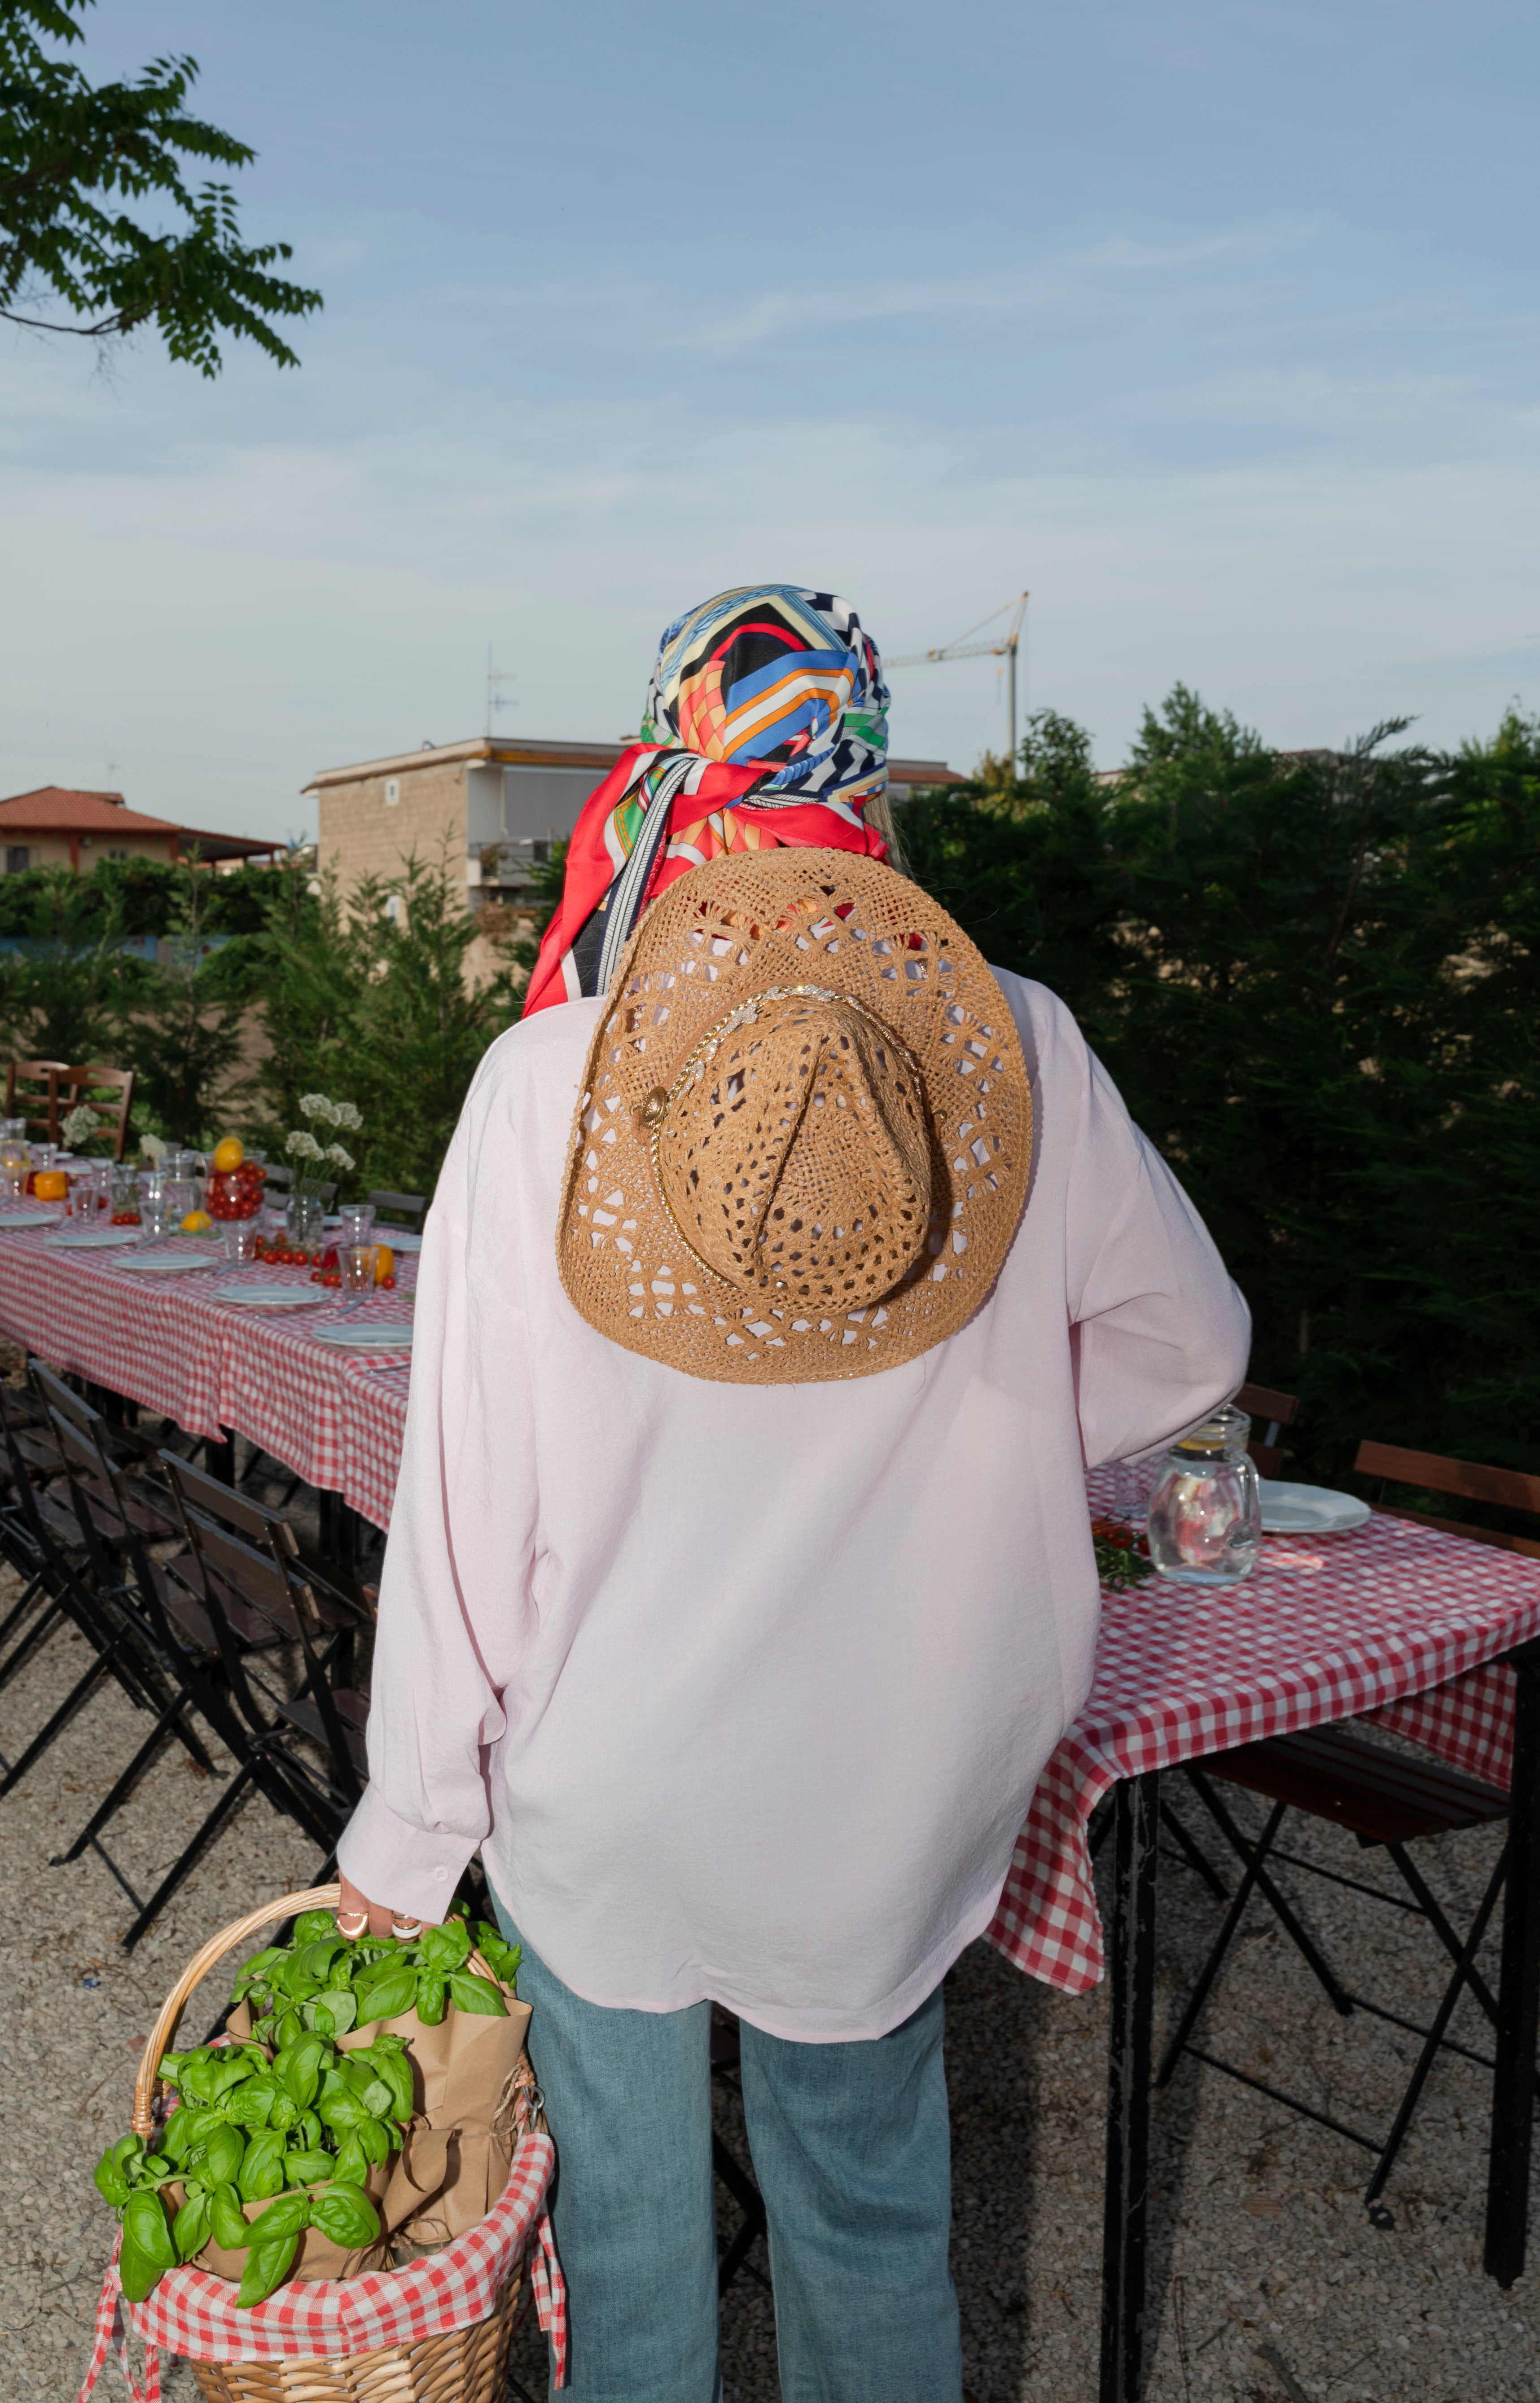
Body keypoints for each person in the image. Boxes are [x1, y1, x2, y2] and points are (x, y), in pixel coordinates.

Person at [334, 585, 1249, 2402]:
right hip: (886, 1786)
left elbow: (460, 1509)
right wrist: (993, 1432)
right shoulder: (1017, 1050)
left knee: (631, 2262)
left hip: (616, 1792)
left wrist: (407, 1831)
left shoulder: (546, 1084)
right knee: (868, 2229)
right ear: (866, 771)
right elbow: (1190, 1338)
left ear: (678, 771)